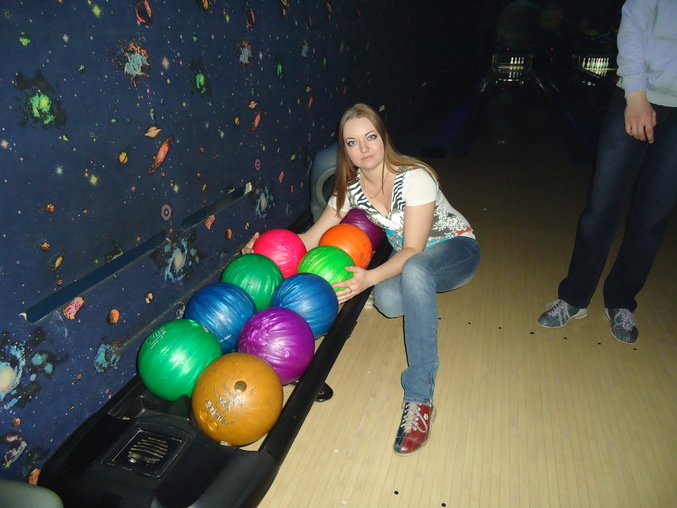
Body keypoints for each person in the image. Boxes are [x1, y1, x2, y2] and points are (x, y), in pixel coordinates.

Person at [244, 104, 479, 455]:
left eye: (370, 137)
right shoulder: (351, 190)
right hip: (412, 263)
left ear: (383, 137)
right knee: (388, 301)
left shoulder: (414, 178)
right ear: (345, 150)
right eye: (353, 143)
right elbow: (310, 239)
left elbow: (413, 249)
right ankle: (416, 295)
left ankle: (420, 398)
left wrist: (368, 277)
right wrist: (264, 252)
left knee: (415, 270)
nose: (364, 149)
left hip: (456, 251)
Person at [538, 0, 677, 344]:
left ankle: (620, 301)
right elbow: (633, 24)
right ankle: (574, 297)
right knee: (603, 207)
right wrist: (636, 95)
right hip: (638, 96)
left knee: (653, 217)